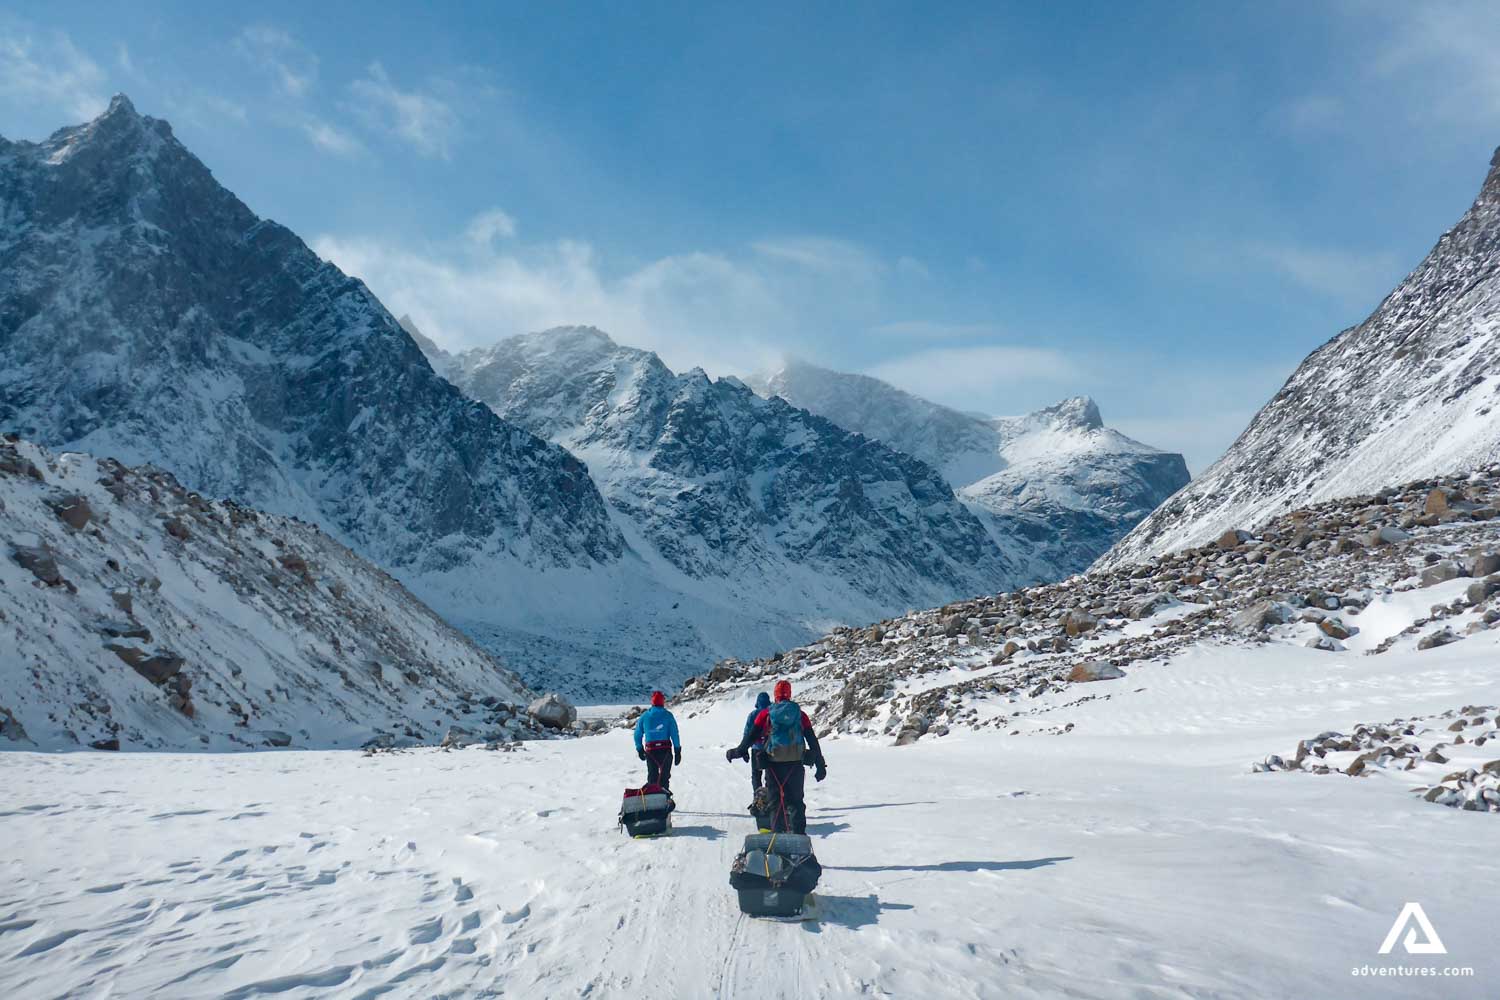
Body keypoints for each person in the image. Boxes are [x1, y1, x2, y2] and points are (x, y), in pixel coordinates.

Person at [726, 680, 826, 834]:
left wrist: (737, 752)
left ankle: (778, 841)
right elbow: (812, 740)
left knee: (776, 804)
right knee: (796, 803)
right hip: (796, 764)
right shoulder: (800, 714)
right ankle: (799, 839)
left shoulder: (766, 713)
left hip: (773, 764)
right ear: (789, 694)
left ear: (776, 695)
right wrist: (820, 764)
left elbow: (751, 736)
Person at [634, 690, 681, 793]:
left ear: (652, 702)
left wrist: (639, 748)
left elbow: (637, 734)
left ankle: (652, 800)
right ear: (662, 702)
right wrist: (677, 750)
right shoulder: (668, 716)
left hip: (651, 752)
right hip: (665, 751)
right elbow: (674, 734)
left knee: (652, 777)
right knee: (664, 778)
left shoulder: (644, 716)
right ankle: (664, 799)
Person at [741, 691, 771, 794]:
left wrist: (744, 749)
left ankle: (758, 799)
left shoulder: (752, 715)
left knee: (756, 775)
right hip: (770, 750)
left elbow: (747, 733)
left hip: (756, 749)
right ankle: (770, 798)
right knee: (769, 775)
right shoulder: (772, 713)